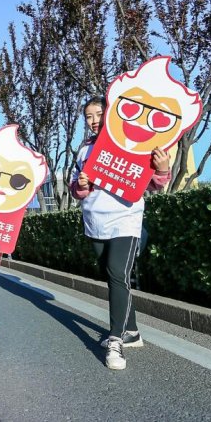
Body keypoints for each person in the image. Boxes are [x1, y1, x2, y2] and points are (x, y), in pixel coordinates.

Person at [69, 96, 170, 370]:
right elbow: (74, 189)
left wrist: (162, 169)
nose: (94, 121)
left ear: (111, 114)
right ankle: (132, 331)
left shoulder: (133, 142)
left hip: (126, 218)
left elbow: (154, 184)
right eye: (88, 116)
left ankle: (116, 339)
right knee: (113, 277)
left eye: (99, 114)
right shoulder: (84, 149)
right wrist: (81, 185)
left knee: (117, 273)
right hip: (95, 220)